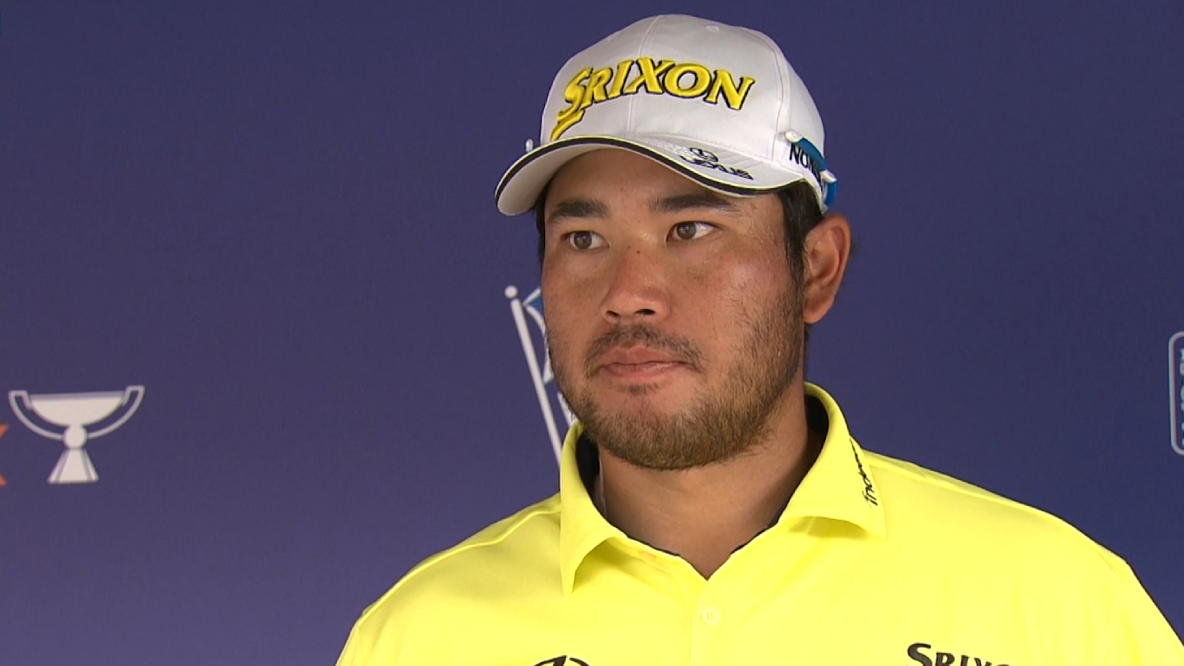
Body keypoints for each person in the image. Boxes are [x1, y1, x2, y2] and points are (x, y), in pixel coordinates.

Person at [336, 14, 1184, 665]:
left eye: (691, 230)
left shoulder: (1062, 609)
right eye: (583, 239)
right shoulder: (417, 639)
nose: (628, 294)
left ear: (816, 269)